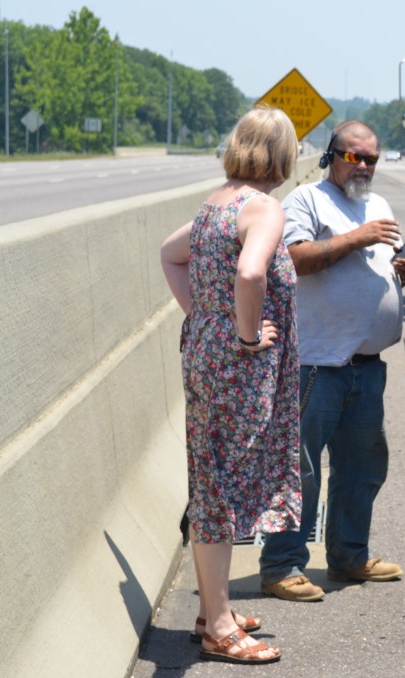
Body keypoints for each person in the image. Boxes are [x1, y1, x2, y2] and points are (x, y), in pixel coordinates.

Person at [160, 105, 301, 664]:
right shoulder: (262, 207)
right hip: (237, 367)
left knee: (211, 475)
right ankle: (218, 627)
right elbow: (250, 273)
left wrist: (208, 320)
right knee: (219, 485)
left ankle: (211, 607)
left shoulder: (217, 203)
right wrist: (242, 336)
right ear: (283, 155)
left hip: (204, 357)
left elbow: (171, 257)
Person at [259, 120, 405, 601]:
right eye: (354, 156)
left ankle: (349, 557)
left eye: (372, 157)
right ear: (332, 156)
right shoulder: (308, 200)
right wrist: (360, 237)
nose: (364, 165)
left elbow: (372, 270)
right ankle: (281, 565)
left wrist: (399, 273)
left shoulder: (379, 205)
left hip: (366, 366)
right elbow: (292, 259)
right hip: (317, 363)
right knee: (300, 468)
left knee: (362, 465)